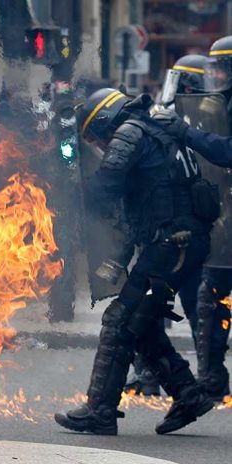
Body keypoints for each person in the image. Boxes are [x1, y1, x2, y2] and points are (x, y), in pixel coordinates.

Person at [54, 87, 224, 436]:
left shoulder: (130, 132)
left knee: (119, 318)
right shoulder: (154, 130)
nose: (98, 145)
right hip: (180, 243)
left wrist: (67, 194)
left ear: (104, 120)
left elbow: (106, 186)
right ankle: (188, 394)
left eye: (94, 136)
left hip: (172, 244)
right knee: (139, 321)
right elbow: (146, 204)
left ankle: (100, 410)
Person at [125, 54, 210, 397]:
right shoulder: (167, 119)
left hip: (190, 226)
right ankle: (147, 374)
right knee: (151, 304)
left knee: (193, 303)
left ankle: (206, 377)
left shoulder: (207, 122)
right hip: (166, 227)